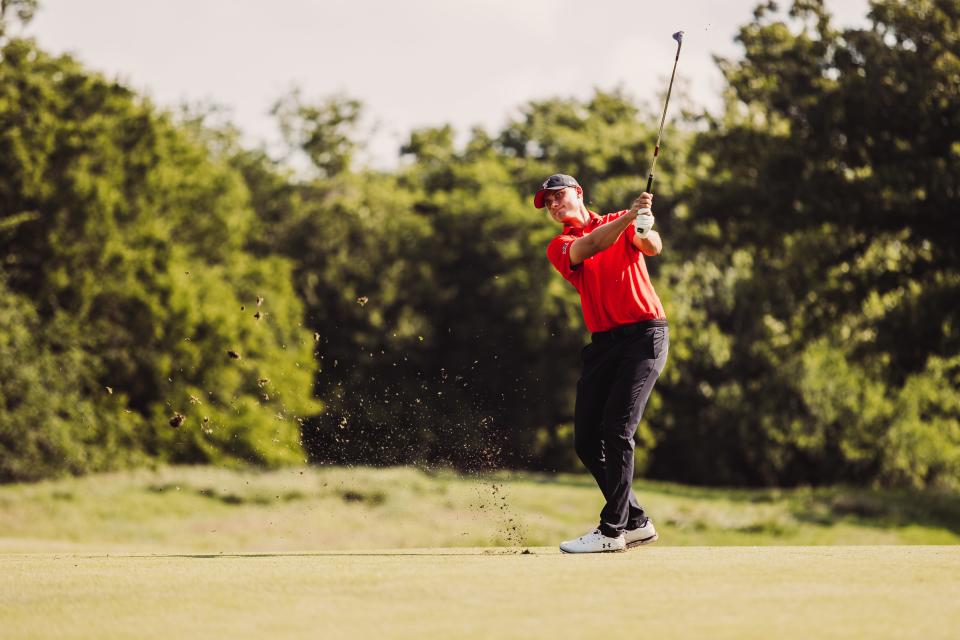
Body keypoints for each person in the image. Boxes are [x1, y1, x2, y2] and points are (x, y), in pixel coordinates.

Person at [537, 173, 669, 553]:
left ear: (578, 194)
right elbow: (592, 244)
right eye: (548, 203)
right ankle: (637, 521)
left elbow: (652, 246)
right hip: (604, 345)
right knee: (585, 440)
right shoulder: (560, 244)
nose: (554, 205)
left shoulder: (621, 221)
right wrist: (631, 216)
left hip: (645, 336)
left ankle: (613, 531)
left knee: (617, 429)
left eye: (558, 196)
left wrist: (643, 224)